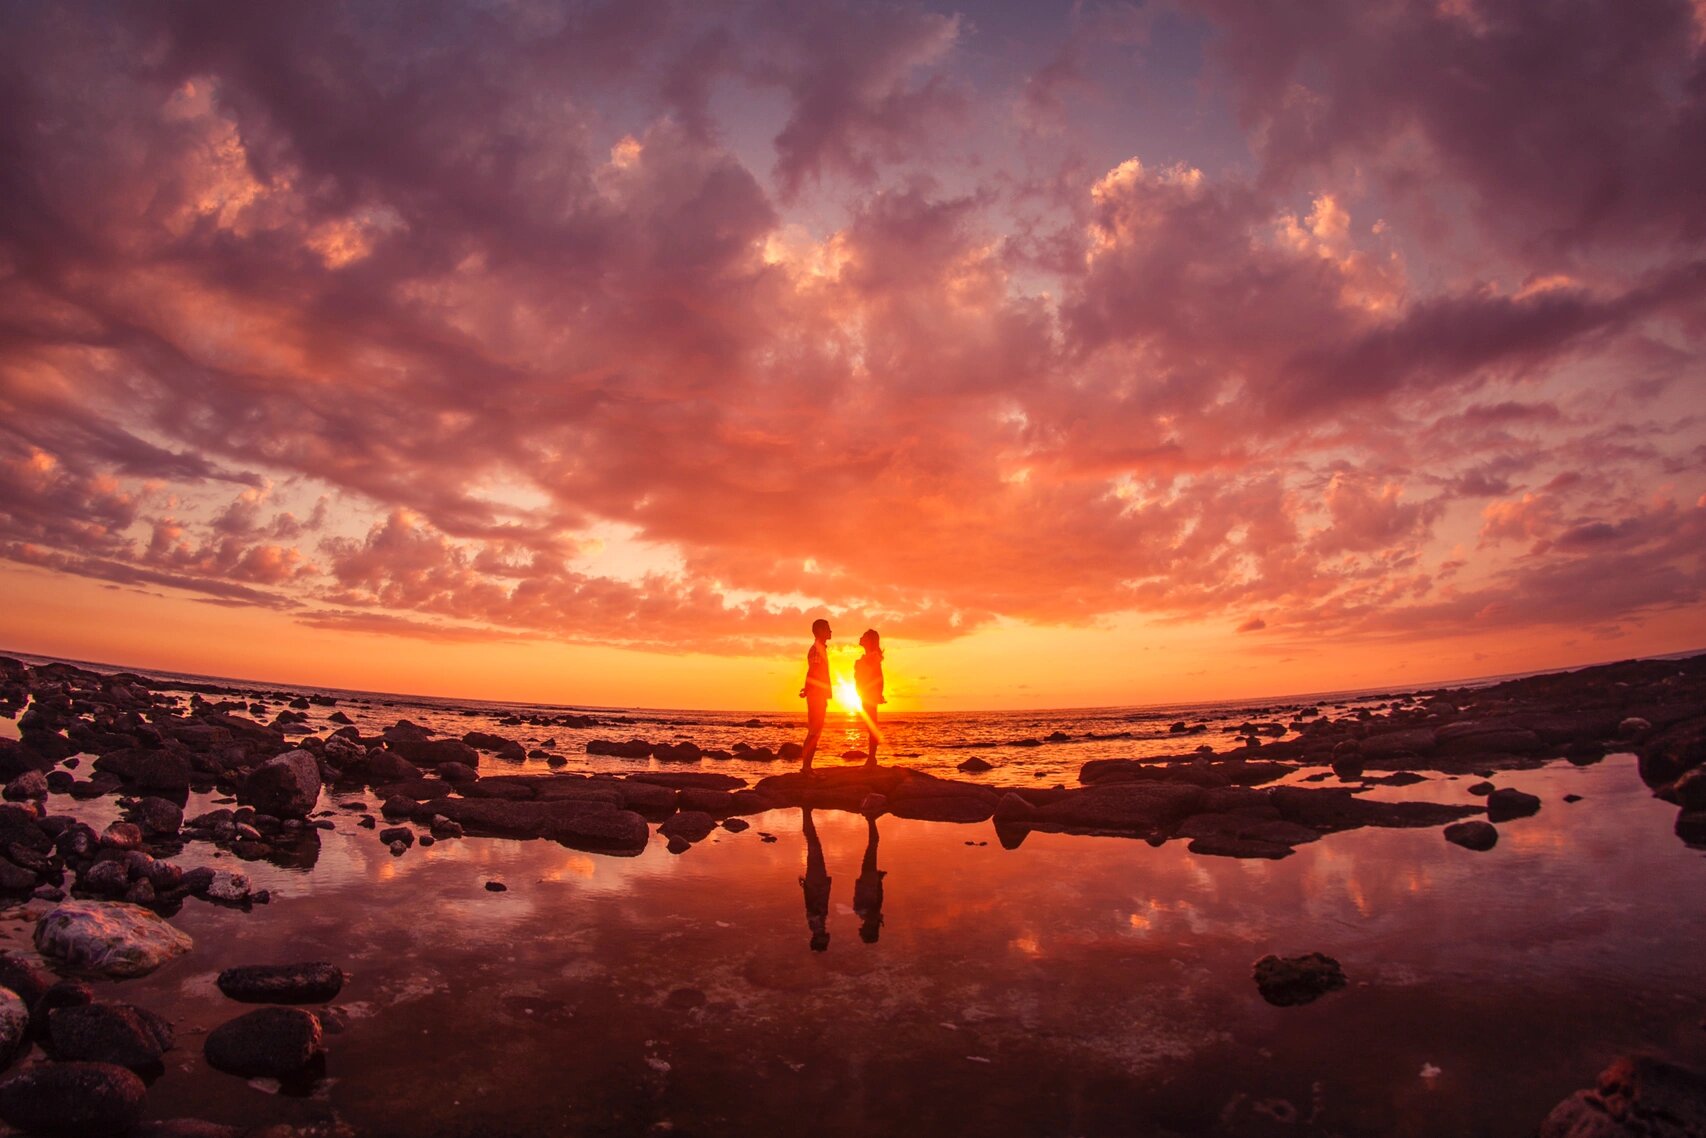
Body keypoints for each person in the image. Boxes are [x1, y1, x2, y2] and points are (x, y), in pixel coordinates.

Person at [797, 618, 832, 775]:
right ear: (820, 632)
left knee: (814, 731)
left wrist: (807, 689)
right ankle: (806, 768)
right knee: (814, 732)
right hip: (817, 693)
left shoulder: (820, 648)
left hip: (817, 693)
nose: (831, 631)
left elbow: (811, 671)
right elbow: (814, 671)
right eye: (828, 629)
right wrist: (811, 690)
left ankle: (807, 767)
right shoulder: (817, 649)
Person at [854, 628, 885, 769]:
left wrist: (878, 694)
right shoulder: (868, 656)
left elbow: (879, 676)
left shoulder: (873, 656)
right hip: (865, 694)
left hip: (870, 694)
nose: (861, 638)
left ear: (870, 640)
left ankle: (872, 759)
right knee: (870, 726)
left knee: (872, 726)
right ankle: (872, 759)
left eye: (864, 636)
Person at [800, 807, 830, 952]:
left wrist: (808, 886)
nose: (827, 938)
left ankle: (806, 813)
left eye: (823, 941)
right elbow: (814, 905)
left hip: (816, 883)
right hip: (818, 883)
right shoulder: (818, 925)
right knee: (814, 845)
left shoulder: (816, 925)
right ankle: (806, 814)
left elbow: (813, 905)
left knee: (814, 845)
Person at [853, 814, 885, 944]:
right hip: (867, 879)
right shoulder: (865, 914)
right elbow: (876, 897)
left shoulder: (871, 915)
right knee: (873, 844)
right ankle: (870, 818)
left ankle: (870, 819)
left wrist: (879, 880)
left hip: (869, 880)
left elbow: (878, 897)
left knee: (873, 844)